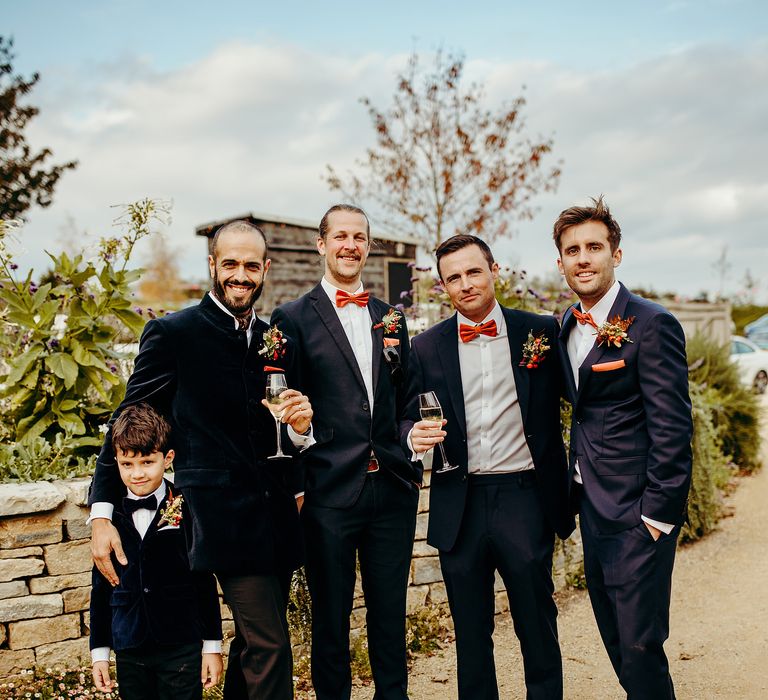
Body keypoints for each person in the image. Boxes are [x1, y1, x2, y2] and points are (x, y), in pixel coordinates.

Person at [88, 220, 315, 700]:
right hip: (215, 517)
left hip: (275, 515)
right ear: (212, 265)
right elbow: (127, 420)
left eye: (251, 265)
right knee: (272, 644)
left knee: (253, 643)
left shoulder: (276, 338)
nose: (240, 274)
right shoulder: (173, 333)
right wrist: (102, 513)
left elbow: (283, 425)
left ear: (265, 269)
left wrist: (297, 471)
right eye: (229, 263)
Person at [401, 234, 574, 700]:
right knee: (471, 634)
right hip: (460, 501)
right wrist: (410, 436)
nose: (465, 283)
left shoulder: (539, 331)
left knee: (536, 623)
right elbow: (403, 416)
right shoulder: (425, 347)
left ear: (493, 270)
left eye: (473, 271)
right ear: (443, 287)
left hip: (524, 496)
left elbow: (583, 399)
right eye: (453, 277)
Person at [271, 204, 420, 700]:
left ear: (368, 245)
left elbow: (408, 399)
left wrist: (408, 440)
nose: (350, 245)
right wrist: (300, 435)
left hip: (392, 493)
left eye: (359, 236)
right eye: (340, 236)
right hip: (329, 494)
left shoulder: (391, 318)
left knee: (389, 619)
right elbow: (282, 409)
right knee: (330, 622)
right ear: (322, 244)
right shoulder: (291, 317)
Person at [553, 196, 692, 699]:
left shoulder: (652, 323)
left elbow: (674, 427)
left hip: (638, 513)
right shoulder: (565, 325)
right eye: (572, 250)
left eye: (594, 246)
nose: (583, 258)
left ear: (617, 254)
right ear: (561, 261)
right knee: (614, 634)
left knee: (639, 643)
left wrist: (657, 515)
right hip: (592, 508)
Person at [90, 403, 223, 699]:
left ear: (168, 458)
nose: (137, 474)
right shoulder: (107, 520)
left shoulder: (185, 507)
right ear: (116, 463)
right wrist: (99, 652)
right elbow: (100, 588)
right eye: (127, 465)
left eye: (147, 462)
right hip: (130, 646)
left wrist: (212, 645)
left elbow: (203, 580)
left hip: (181, 645)